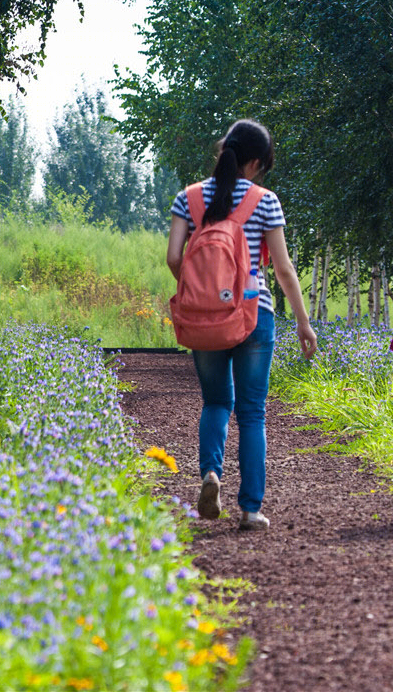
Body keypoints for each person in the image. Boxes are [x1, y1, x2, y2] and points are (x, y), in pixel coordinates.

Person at [166, 119, 317, 531]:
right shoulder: (265, 201)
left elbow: (174, 257)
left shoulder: (188, 198)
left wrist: (199, 293)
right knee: (252, 414)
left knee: (216, 403)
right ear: (254, 162)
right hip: (255, 314)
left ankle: (210, 474)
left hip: (204, 321)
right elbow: (283, 270)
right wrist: (303, 323)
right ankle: (250, 509)